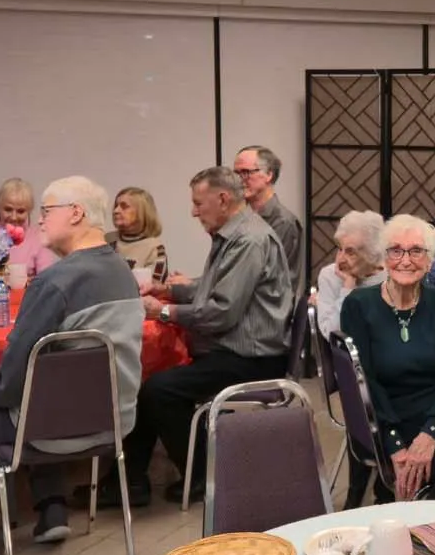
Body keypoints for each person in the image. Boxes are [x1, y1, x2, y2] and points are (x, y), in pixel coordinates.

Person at [0, 177, 143, 555]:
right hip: (112, 421)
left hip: (50, 430)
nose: (39, 221)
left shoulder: (56, 282)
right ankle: (51, 508)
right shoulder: (121, 272)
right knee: (41, 395)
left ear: (76, 213)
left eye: (46, 211)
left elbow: (15, 367)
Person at [88, 166, 291, 509]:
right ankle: (130, 481)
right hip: (234, 348)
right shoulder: (233, 234)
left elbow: (221, 312)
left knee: (160, 390)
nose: (194, 211)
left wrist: (163, 312)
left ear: (223, 199)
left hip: (250, 356)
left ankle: (202, 476)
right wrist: (168, 288)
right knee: (150, 380)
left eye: (199, 203)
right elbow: (211, 287)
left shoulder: (248, 240)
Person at [341, 214, 435, 502]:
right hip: (389, 418)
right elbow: (365, 385)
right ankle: (425, 538)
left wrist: (430, 433)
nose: (405, 260)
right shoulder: (358, 305)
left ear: (429, 260)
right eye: (396, 250)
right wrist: (394, 447)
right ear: (384, 257)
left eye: (416, 251)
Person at [313, 210, 385, 339]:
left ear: (371, 254)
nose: (340, 259)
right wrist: (347, 291)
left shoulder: (392, 278)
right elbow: (331, 334)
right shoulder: (330, 276)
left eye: (350, 252)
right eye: (340, 248)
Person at [234, 145, 302, 280]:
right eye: (236, 174)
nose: (240, 180)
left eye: (246, 172)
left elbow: (268, 279)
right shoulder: (238, 217)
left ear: (268, 175)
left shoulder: (283, 222)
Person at [106, 186, 168, 282]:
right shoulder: (106, 240)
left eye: (124, 207)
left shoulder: (155, 248)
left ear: (142, 211)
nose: (116, 211)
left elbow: (153, 286)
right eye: (116, 206)